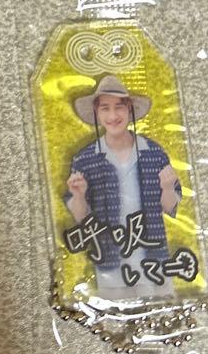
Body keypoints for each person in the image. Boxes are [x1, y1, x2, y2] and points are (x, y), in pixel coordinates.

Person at [63, 75, 182, 299]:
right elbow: (81, 219)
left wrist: (167, 188)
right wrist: (79, 196)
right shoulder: (85, 159)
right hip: (110, 259)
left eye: (119, 107)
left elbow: (170, 207)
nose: (112, 115)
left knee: (161, 307)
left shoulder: (154, 152)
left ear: (130, 110)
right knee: (116, 310)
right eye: (105, 108)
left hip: (153, 256)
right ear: (97, 113)